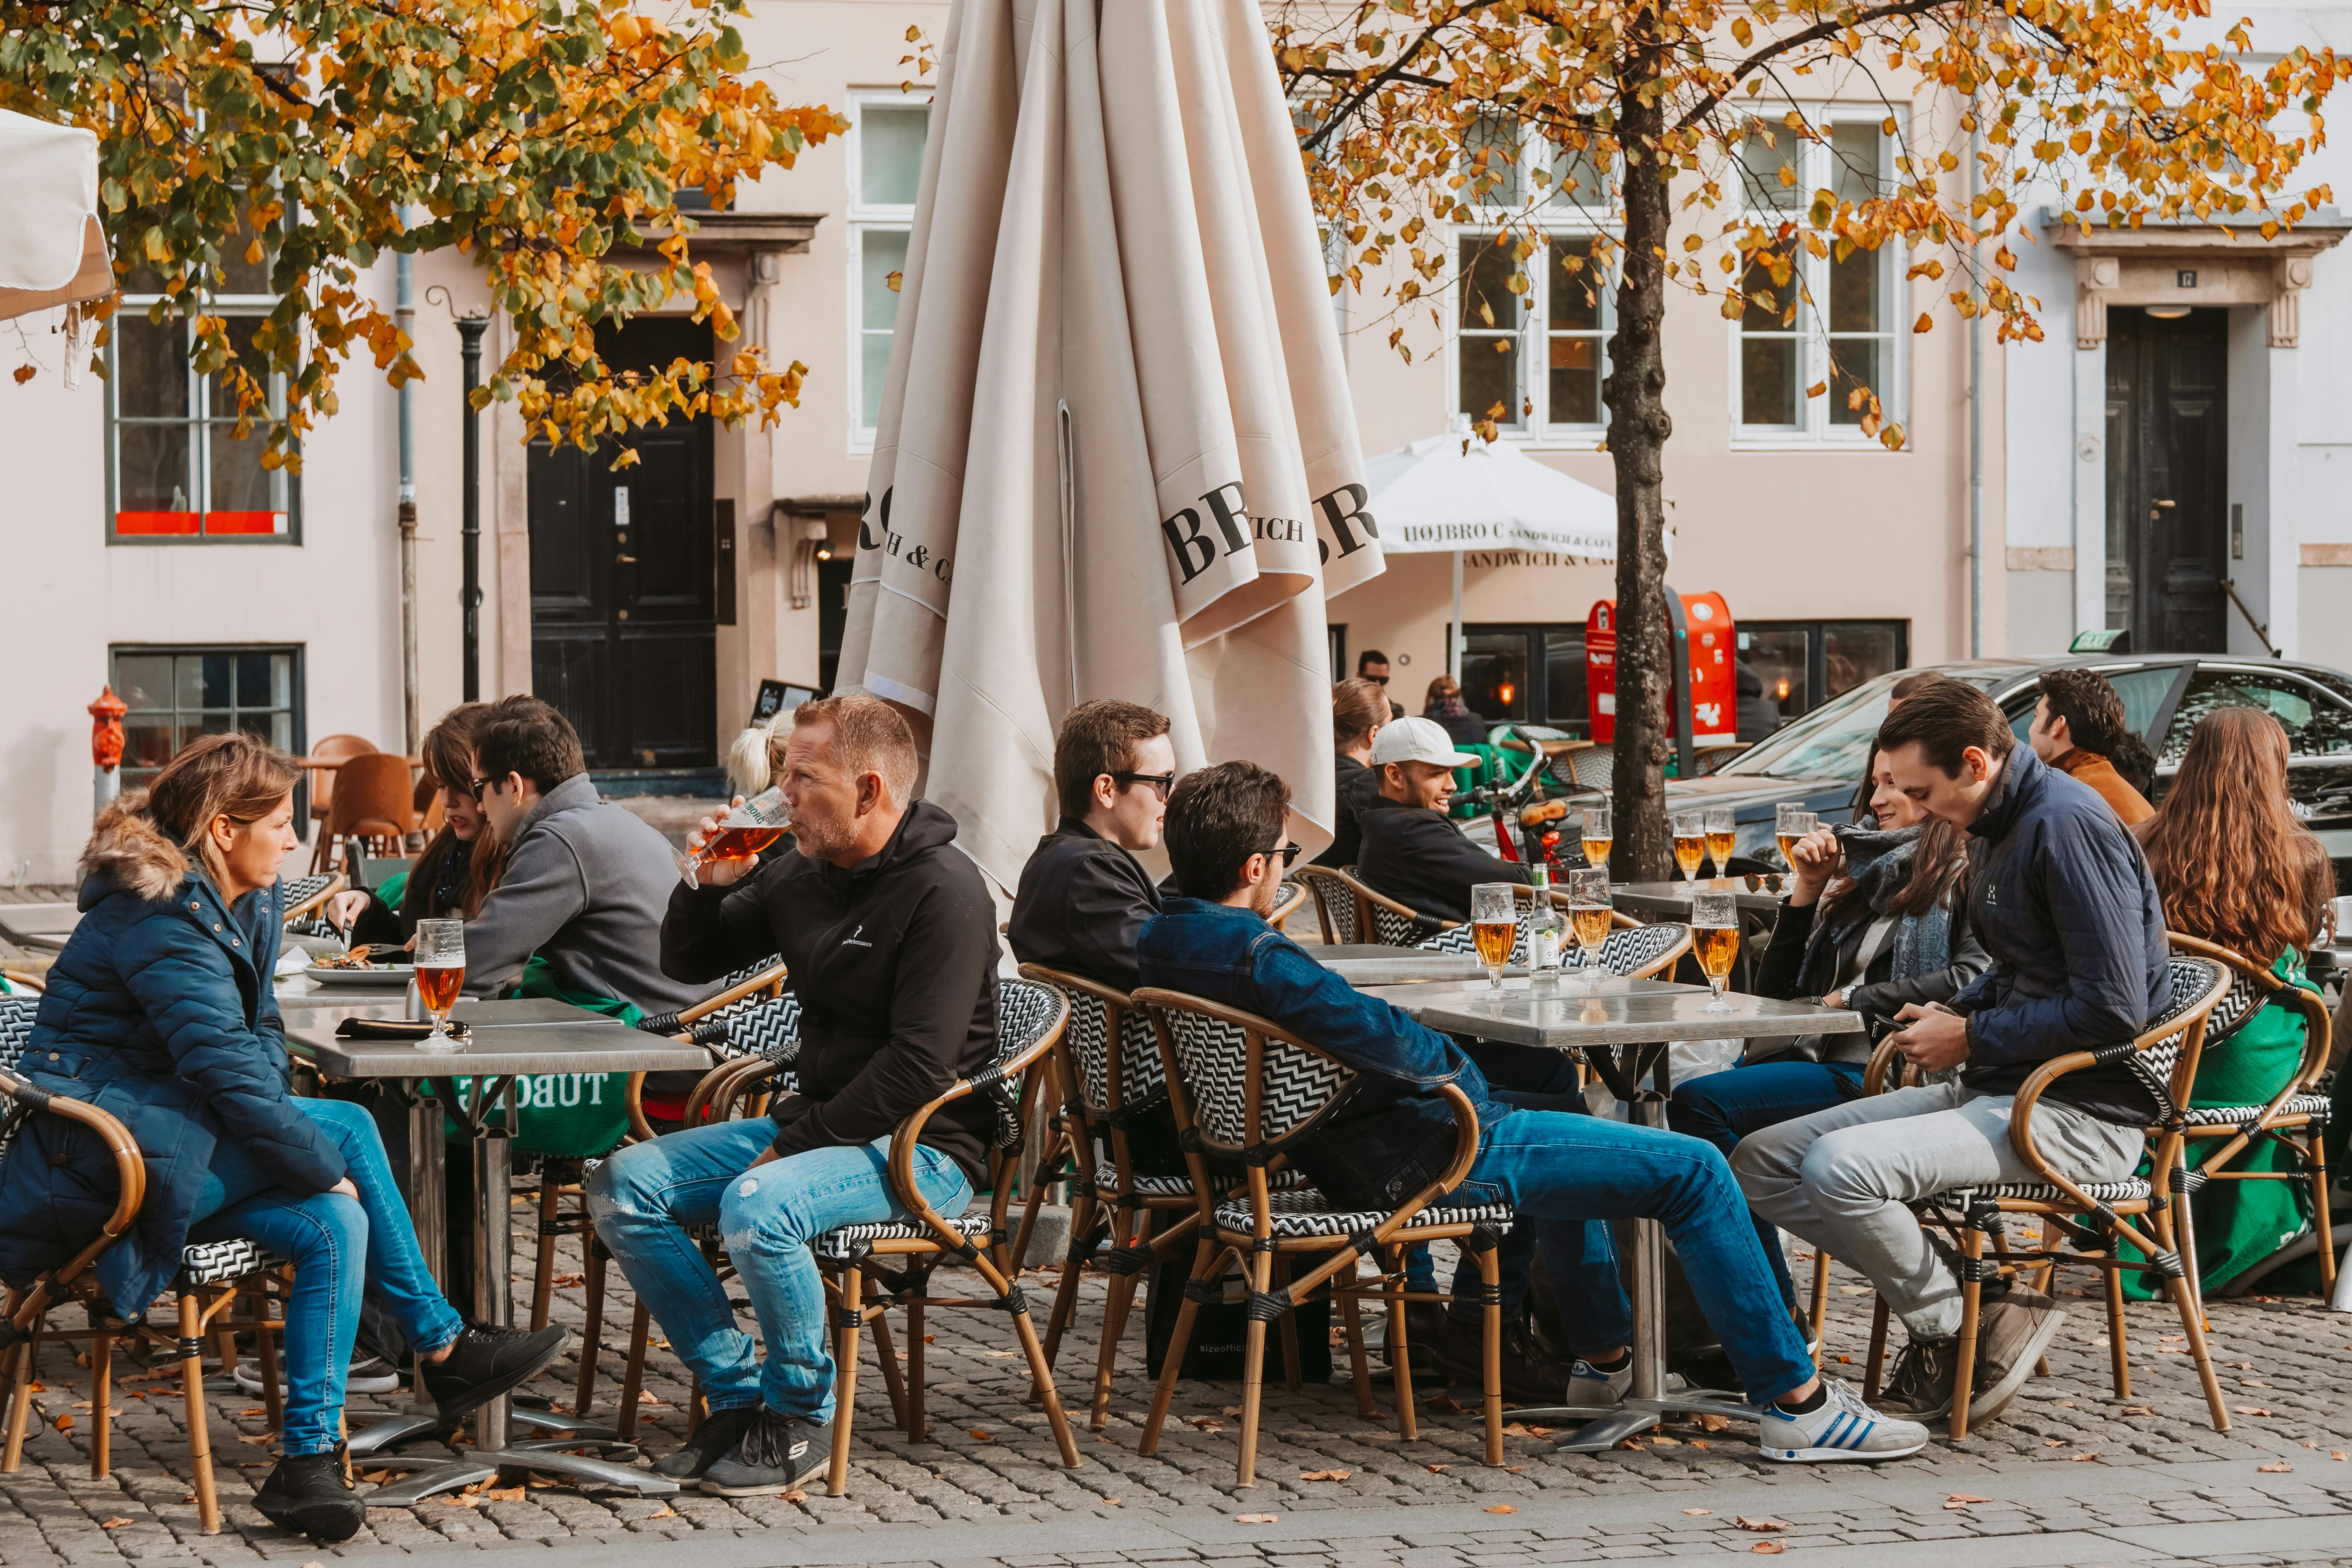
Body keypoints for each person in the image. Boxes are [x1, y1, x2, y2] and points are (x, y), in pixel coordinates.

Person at [1137, 762, 1928, 1461]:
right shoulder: (1260, 954)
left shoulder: (1167, 937)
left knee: (1564, 1111)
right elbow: (1396, 1042)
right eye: (1284, 856)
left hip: (1332, 1152)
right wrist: (1469, 1088)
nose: (1289, 869)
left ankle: (1605, 1362)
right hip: (1418, 1154)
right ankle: (1798, 1403)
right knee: (1696, 1167)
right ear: (1251, 865)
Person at [0, 734, 569, 1540]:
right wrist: (313, 1160)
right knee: (345, 1127)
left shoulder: (245, 898)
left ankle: (309, 1461)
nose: (298, 842)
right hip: (100, 1160)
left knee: (337, 1222)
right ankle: (442, 1348)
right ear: (224, 831)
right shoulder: (158, 917)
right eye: (281, 824)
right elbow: (228, 1067)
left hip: (179, 1142)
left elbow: (260, 1034)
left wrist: (305, 1158)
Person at [588, 695, 1001, 1495]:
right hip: (817, 1126)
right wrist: (707, 884)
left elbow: (919, 1068)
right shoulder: (802, 872)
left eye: (802, 776)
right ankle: (741, 1403)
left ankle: (801, 1415)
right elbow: (688, 962)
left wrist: (792, 1147)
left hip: (924, 1146)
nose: (779, 793)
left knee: (758, 1204)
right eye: (783, 771)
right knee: (622, 1187)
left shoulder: (945, 892)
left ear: (870, 790)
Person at [1734, 680, 2169, 1426]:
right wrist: (1956, 1011)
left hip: (2077, 1110)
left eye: (1921, 790)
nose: (1913, 807)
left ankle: (1951, 1331)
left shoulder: (2063, 825)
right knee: (1756, 1160)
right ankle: (1980, 1312)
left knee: (1840, 1169)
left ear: (1975, 762)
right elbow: (2017, 966)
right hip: (2003, 1086)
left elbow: (2113, 1010)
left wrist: (1969, 1035)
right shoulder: (2001, 821)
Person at [1670, 744, 1988, 1322]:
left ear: (1929, 786)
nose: (1875, 800)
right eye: (1873, 784)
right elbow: (1775, 993)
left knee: (1699, 1105)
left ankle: (1765, 1313)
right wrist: (1807, 889)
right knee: (1682, 1112)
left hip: (1886, 1069)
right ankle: (1726, 1311)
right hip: (1817, 1056)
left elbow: (1971, 976)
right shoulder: (1870, 873)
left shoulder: (1966, 870)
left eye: (1891, 784)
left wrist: (1852, 998)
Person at [2120, 706, 2335, 1296]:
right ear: (2276, 768)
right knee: (2302, 1020)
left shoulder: (2141, 846)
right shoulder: (2304, 856)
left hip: (2156, 1066)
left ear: (2191, 763)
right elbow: (2304, 957)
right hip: (2254, 1074)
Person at [461, 695, 712, 1021]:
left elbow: (478, 964)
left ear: (514, 786)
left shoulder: (560, 840)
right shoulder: (607, 819)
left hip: (655, 1043)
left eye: (478, 786)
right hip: (688, 1021)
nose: (479, 805)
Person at [325, 703, 508, 946]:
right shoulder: (443, 857)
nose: (447, 801)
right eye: (441, 786)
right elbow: (410, 945)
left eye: (460, 785)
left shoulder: (520, 859)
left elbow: (508, 950)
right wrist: (365, 907)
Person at [1355, 715, 1528, 923]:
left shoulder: (1381, 821)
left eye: (1452, 773)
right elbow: (1516, 884)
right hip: (1464, 951)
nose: (1453, 786)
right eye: (1437, 773)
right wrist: (1536, 869)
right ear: (1395, 776)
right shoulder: (1413, 830)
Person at [2027, 667, 2154, 826]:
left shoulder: (2067, 796)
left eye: (2036, 716)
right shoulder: (2123, 792)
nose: (2030, 730)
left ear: (2058, 726)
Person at [1315, 678, 1388, 869]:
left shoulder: (1316, 780)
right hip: (1366, 897)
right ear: (1375, 735)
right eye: (1389, 726)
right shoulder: (1364, 784)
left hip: (1326, 896)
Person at [1422, 675, 1485, 747]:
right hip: (1468, 758)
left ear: (1431, 698)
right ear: (1459, 696)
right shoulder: (1477, 721)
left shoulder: (1422, 724)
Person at [1357, 648, 1405, 720]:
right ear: (1360, 677)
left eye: (1383, 680)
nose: (1378, 684)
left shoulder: (1395, 710)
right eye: (1372, 679)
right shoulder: (1350, 708)